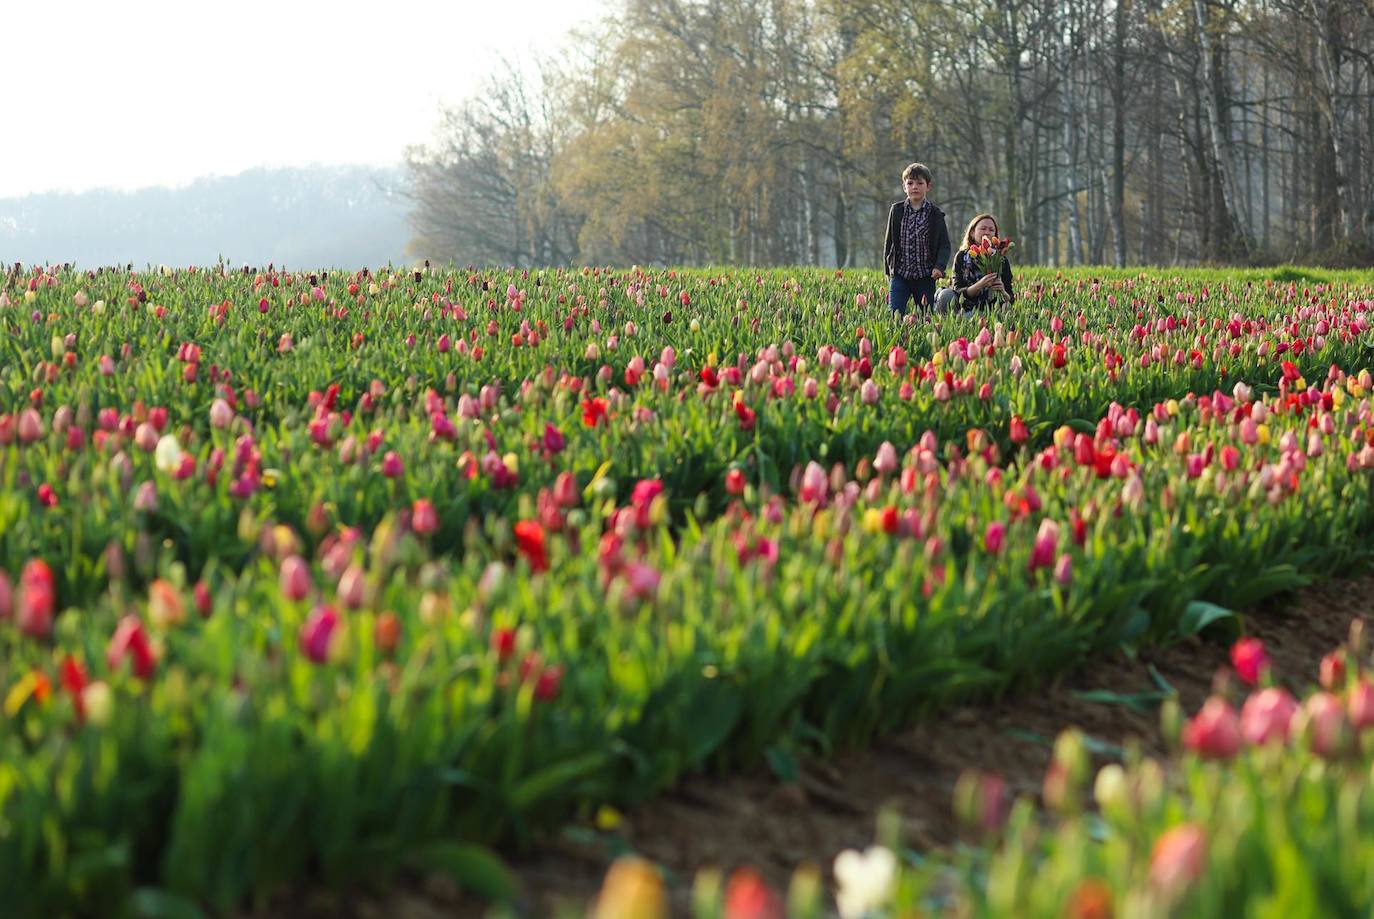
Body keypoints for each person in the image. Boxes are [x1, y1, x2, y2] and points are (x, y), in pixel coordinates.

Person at [883, 163, 951, 317]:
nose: (915, 187)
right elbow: (889, 243)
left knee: (926, 317)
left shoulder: (936, 215)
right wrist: (888, 271)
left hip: (925, 276)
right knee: (895, 315)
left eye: (920, 183)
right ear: (904, 187)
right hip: (900, 274)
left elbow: (944, 245)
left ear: (928, 186)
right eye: (910, 183)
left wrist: (939, 266)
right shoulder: (896, 211)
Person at [938, 212, 1015, 313]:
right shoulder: (961, 257)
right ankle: (952, 323)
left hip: (992, 311)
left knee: (1006, 311)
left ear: (995, 236)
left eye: (991, 230)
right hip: (964, 309)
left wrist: (1003, 292)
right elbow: (957, 291)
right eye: (983, 228)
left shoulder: (1001, 260)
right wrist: (979, 285)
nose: (987, 232)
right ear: (972, 233)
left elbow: (1011, 298)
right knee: (945, 294)